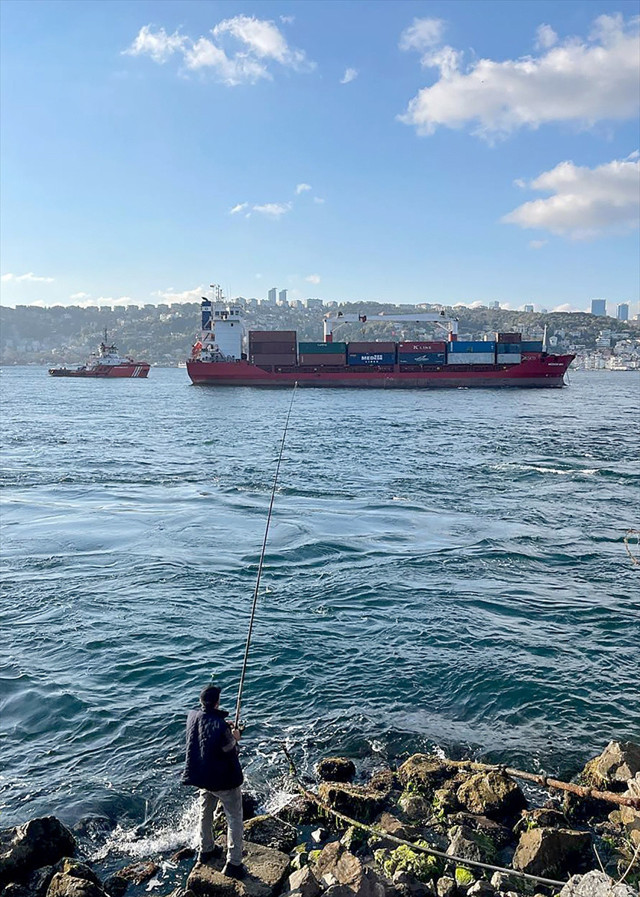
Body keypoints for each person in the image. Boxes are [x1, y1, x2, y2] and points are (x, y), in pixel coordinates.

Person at [182, 684, 246, 878]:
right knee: (234, 817)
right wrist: (236, 737)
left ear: (202, 702)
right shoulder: (221, 725)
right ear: (217, 702)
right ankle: (234, 863)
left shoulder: (193, 716)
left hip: (203, 776)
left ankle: (206, 850)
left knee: (205, 811)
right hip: (222, 780)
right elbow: (231, 750)